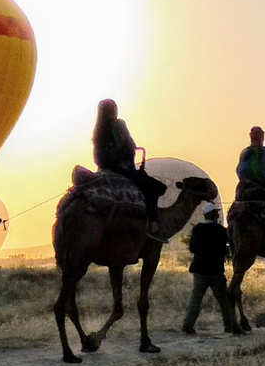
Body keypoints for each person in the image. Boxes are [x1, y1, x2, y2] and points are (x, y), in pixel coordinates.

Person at [92, 98, 168, 242]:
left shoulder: (98, 132)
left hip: (104, 170)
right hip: (122, 169)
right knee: (155, 188)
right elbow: (129, 146)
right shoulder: (118, 124)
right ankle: (152, 224)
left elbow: (97, 157)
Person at [182, 202, 232, 334]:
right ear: (214, 215)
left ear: (205, 215)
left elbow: (192, 248)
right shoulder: (221, 231)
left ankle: (188, 325)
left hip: (199, 270)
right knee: (224, 300)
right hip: (216, 271)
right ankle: (229, 325)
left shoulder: (197, 229)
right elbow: (226, 249)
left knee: (196, 299)